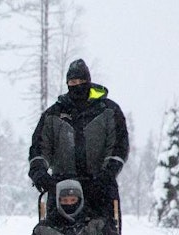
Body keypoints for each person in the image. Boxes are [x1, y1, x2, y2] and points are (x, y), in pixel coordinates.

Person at [28, 59, 129, 221]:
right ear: (67, 83)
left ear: (88, 81)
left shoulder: (109, 111)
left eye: (81, 81)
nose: (77, 85)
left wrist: (106, 175)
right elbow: (40, 148)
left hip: (99, 188)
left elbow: (118, 146)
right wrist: (39, 172)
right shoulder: (53, 114)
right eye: (73, 81)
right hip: (61, 189)